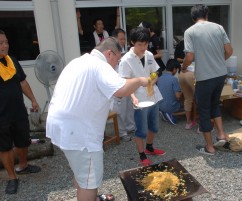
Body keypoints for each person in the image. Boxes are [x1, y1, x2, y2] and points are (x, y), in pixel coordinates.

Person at [46, 37, 149, 201]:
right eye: (117, 60)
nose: (116, 65)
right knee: (90, 181)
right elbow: (121, 89)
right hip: (79, 134)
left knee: (82, 171)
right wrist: (140, 80)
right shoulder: (100, 65)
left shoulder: (78, 62)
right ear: (109, 53)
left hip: (60, 127)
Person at [181, 4, 233, 155]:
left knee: (204, 110)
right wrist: (219, 61)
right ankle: (221, 134)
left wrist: (183, 67)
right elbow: (229, 51)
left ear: (193, 18)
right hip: (221, 74)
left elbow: (189, 56)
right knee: (215, 104)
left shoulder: (190, 31)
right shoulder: (219, 27)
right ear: (207, 15)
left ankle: (209, 147)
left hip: (205, 77)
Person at [0, 30, 41, 194]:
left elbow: (22, 82)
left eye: (6, 42)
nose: (5, 45)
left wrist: (33, 99)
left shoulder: (12, 61)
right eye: (1, 43)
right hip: (1, 116)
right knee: (5, 147)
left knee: (23, 141)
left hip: (18, 111)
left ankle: (23, 165)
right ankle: (12, 177)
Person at [118, 27, 165, 166]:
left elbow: (155, 72)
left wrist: (153, 79)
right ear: (132, 42)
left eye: (145, 44)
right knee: (141, 130)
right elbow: (126, 82)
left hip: (153, 96)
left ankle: (149, 147)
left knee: (154, 127)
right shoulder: (126, 60)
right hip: (139, 100)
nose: (143, 47)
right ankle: (142, 155)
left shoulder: (149, 55)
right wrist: (133, 97)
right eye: (140, 44)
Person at [111, 28, 135, 142]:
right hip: (116, 84)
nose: (123, 41)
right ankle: (122, 133)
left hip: (126, 82)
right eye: (121, 39)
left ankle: (130, 127)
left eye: (124, 39)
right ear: (114, 38)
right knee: (119, 108)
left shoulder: (123, 51)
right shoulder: (110, 51)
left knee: (129, 106)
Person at [175, 40, 197, 129]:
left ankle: (188, 123)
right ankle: (202, 126)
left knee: (188, 99)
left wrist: (183, 66)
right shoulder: (196, 44)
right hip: (192, 73)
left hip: (182, 73)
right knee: (200, 99)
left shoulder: (181, 44)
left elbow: (177, 58)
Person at [157, 59, 182, 125]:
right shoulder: (174, 79)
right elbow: (178, 96)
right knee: (186, 103)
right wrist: (182, 92)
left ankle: (164, 112)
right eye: (176, 69)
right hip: (171, 106)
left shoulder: (160, 78)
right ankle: (171, 114)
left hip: (160, 105)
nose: (176, 71)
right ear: (174, 69)